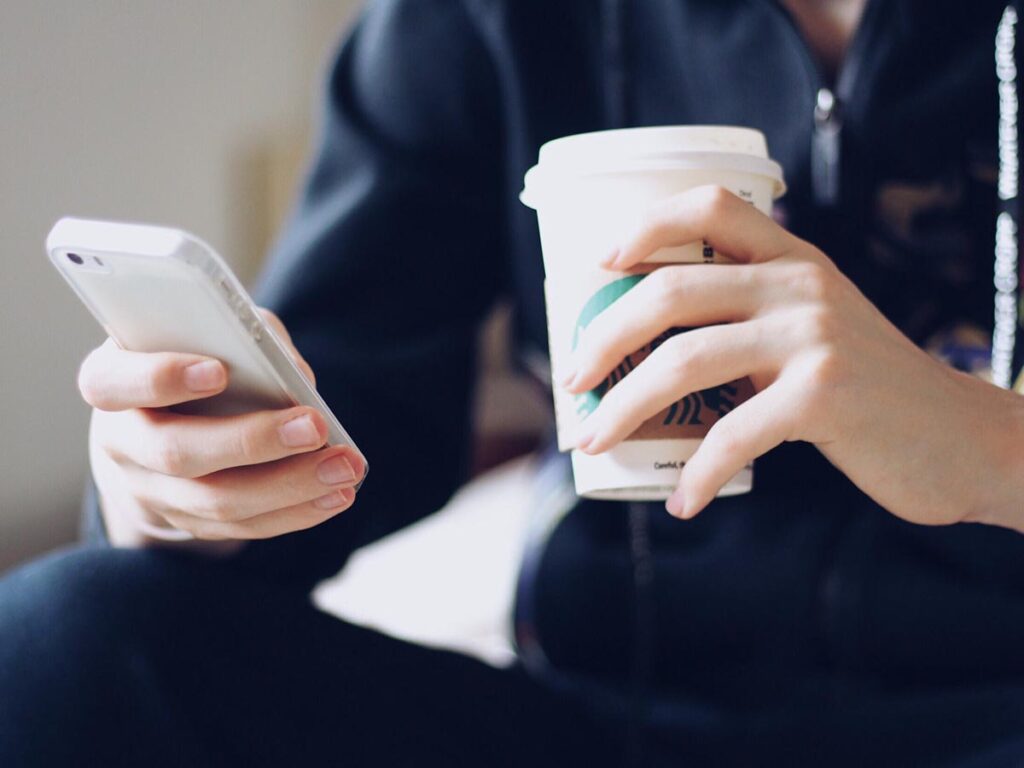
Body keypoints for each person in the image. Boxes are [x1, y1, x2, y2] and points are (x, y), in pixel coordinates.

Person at [2, 0, 1024, 765]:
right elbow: (340, 409)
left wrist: (988, 447)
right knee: (66, 637)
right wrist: (180, 486)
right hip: (601, 720)